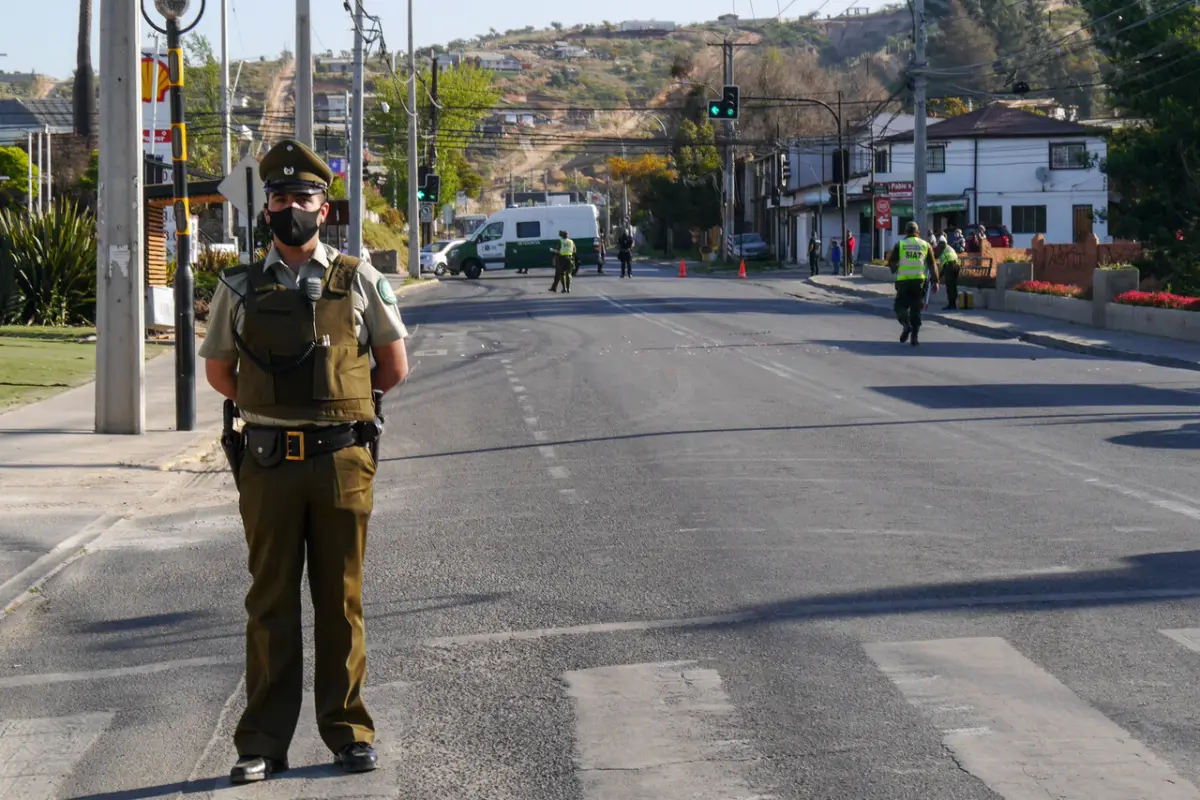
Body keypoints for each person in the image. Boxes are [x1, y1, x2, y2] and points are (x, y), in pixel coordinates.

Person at [200, 139, 410, 784]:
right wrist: (276, 408)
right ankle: (261, 743)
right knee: (269, 603)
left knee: (340, 600)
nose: (293, 207)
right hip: (267, 463)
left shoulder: (360, 278)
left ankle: (349, 734)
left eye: (305, 197)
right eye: (281, 197)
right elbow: (219, 373)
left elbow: (393, 366)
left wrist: (339, 406)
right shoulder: (239, 285)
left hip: (341, 460)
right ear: (267, 210)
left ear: (326, 209)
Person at [887, 221, 939, 346]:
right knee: (916, 309)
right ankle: (914, 337)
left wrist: (895, 268)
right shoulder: (925, 245)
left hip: (903, 282)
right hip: (919, 282)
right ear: (918, 232)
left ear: (906, 232)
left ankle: (906, 324)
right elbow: (932, 265)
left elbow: (892, 263)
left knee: (899, 306)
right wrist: (935, 281)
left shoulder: (900, 244)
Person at [936, 239, 961, 310]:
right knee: (953, 286)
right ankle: (953, 303)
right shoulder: (949, 248)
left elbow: (936, 256)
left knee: (950, 287)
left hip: (950, 266)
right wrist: (938, 277)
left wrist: (937, 277)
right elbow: (944, 268)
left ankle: (952, 304)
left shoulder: (942, 248)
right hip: (956, 266)